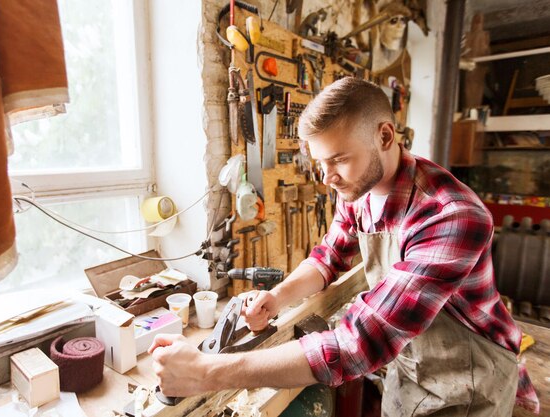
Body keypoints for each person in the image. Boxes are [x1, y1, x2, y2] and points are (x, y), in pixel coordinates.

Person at [149, 77, 539, 416]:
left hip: (469, 379)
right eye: (320, 163)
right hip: (409, 361)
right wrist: (279, 296)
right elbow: (330, 256)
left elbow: (358, 344)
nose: (327, 178)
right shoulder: (356, 190)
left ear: (385, 136)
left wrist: (205, 373)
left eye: (338, 160)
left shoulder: (450, 216)